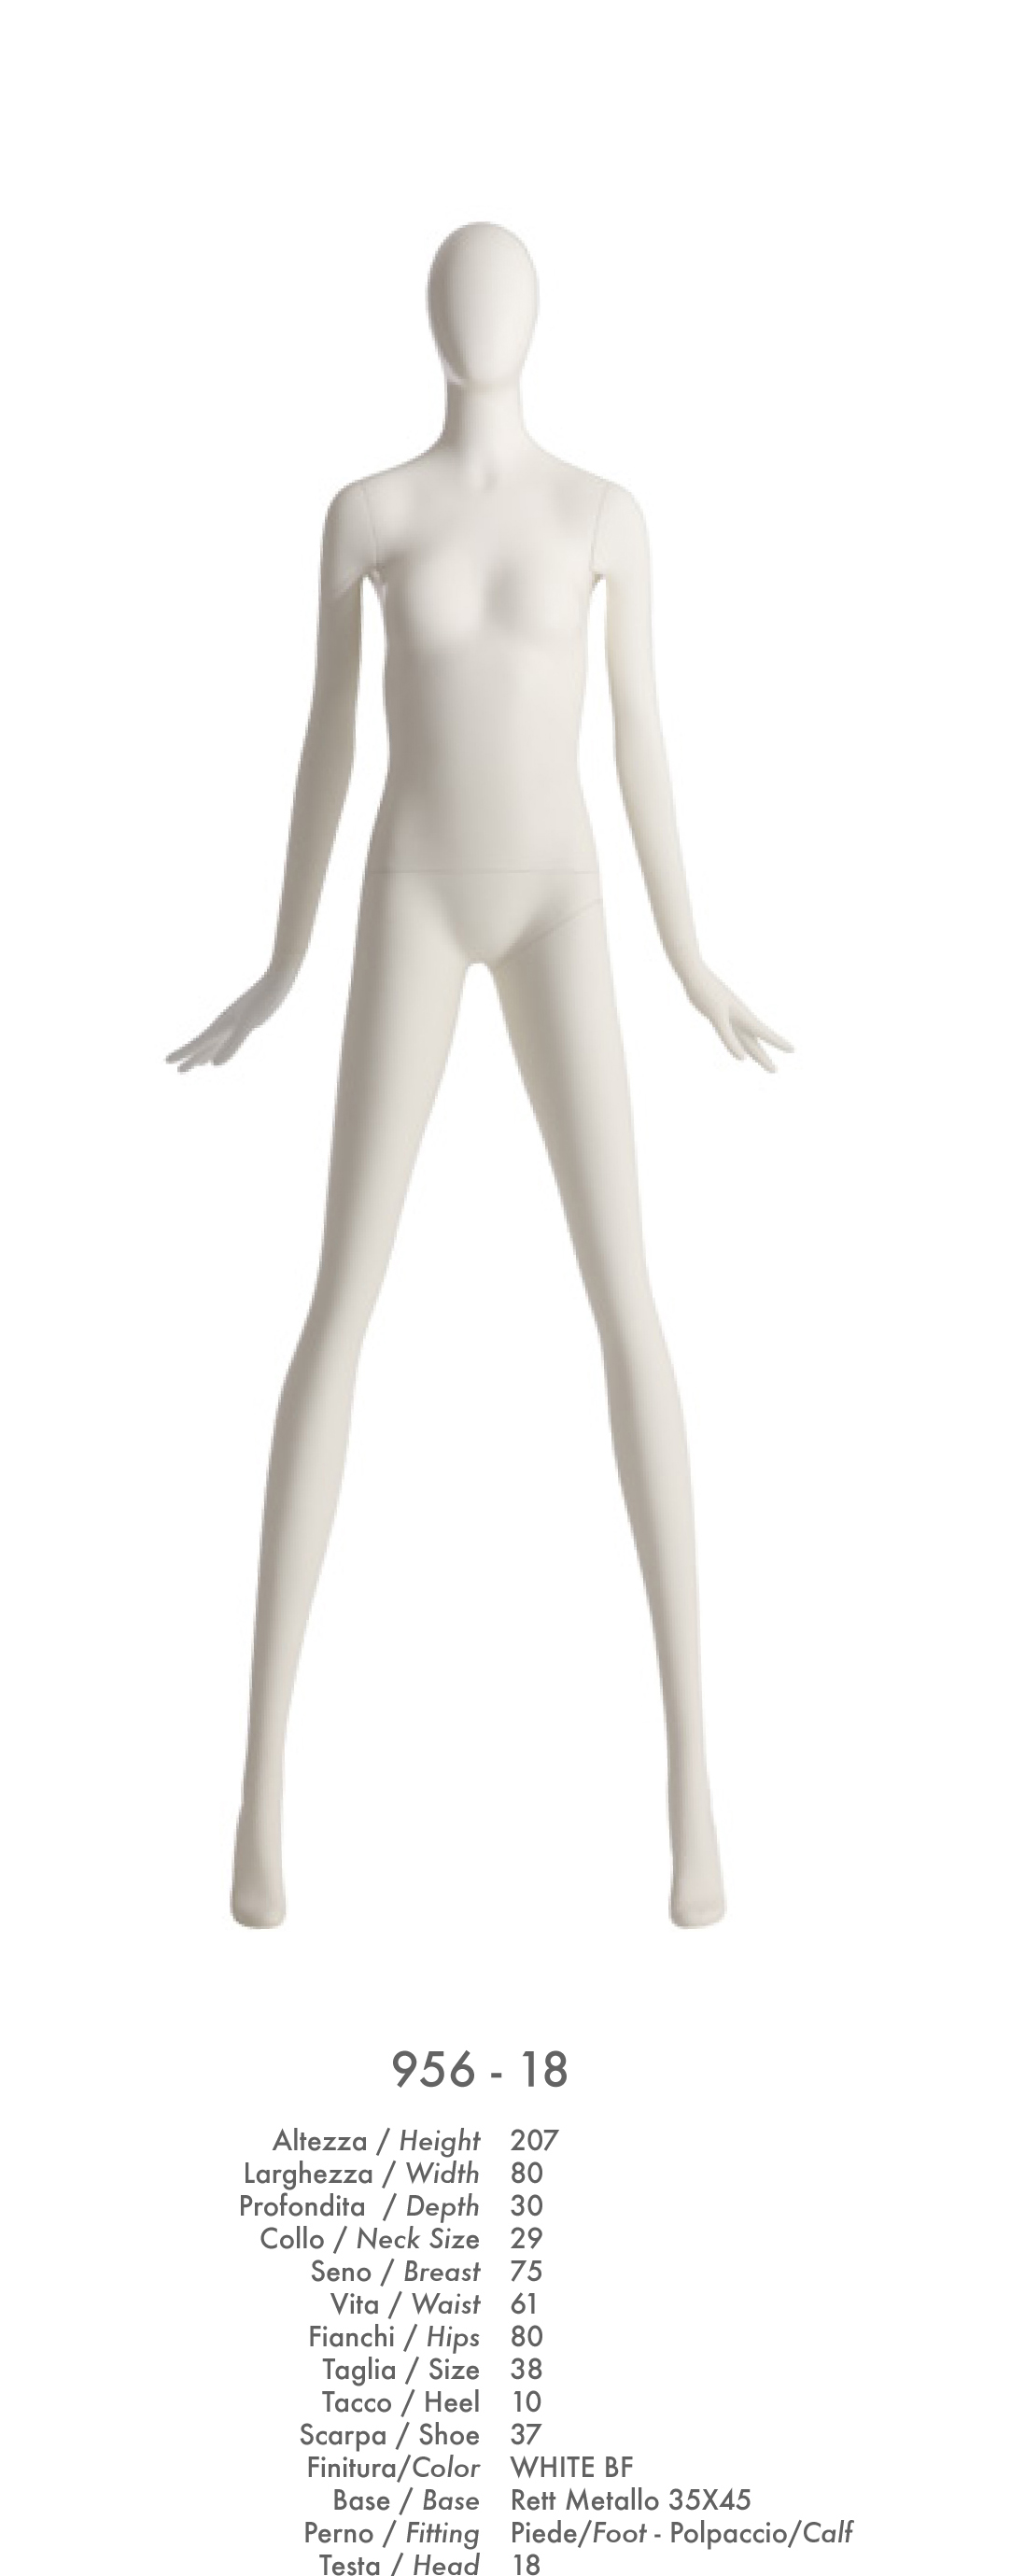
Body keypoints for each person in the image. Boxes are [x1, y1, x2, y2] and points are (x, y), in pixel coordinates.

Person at [169, 219, 790, 1931]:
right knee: (340, 1300)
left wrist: (687, 954)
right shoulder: (366, 513)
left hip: (561, 899)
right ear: (434, 324)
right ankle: (260, 1794)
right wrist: (283, 959)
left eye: (501, 290)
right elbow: (324, 738)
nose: (483, 315)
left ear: (530, 319)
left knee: (628, 1301)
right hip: (417, 895)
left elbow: (643, 736)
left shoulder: (607, 513)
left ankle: (693, 1793)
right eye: (463, 293)